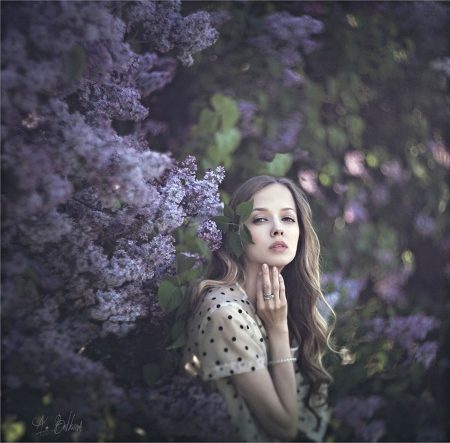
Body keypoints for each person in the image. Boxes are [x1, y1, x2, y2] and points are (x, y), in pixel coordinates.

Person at [183, 175, 335, 442]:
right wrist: (277, 330)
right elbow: (284, 429)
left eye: (288, 218)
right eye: (260, 219)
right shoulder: (225, 312)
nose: (278, 229)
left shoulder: (278, 301)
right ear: (236, 234)